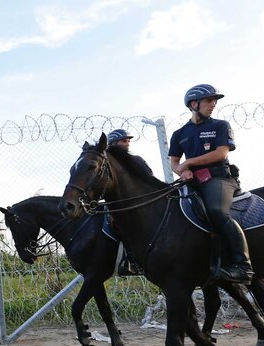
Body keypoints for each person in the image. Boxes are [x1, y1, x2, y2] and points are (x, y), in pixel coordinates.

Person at [168, 84, 253, 284]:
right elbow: (173, 163)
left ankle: (243, 267)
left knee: (217, 212)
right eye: (209, 100)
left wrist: (188, 162)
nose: (213, 104)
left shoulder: (220, 125)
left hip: (219, 179)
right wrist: (183, 170)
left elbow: (221, 153)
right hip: (193, 181)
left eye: (215, 100)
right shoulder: (179, 134)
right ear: (193, 104)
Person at [106, 128, 151, 275]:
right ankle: (126, 260)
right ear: (113, 144)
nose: (127, 143)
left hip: (141, 202)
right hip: (117, 205)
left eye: (128, 141)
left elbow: (150, 179)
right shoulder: (107, 164)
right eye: (124, 141)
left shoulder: (137, 160)